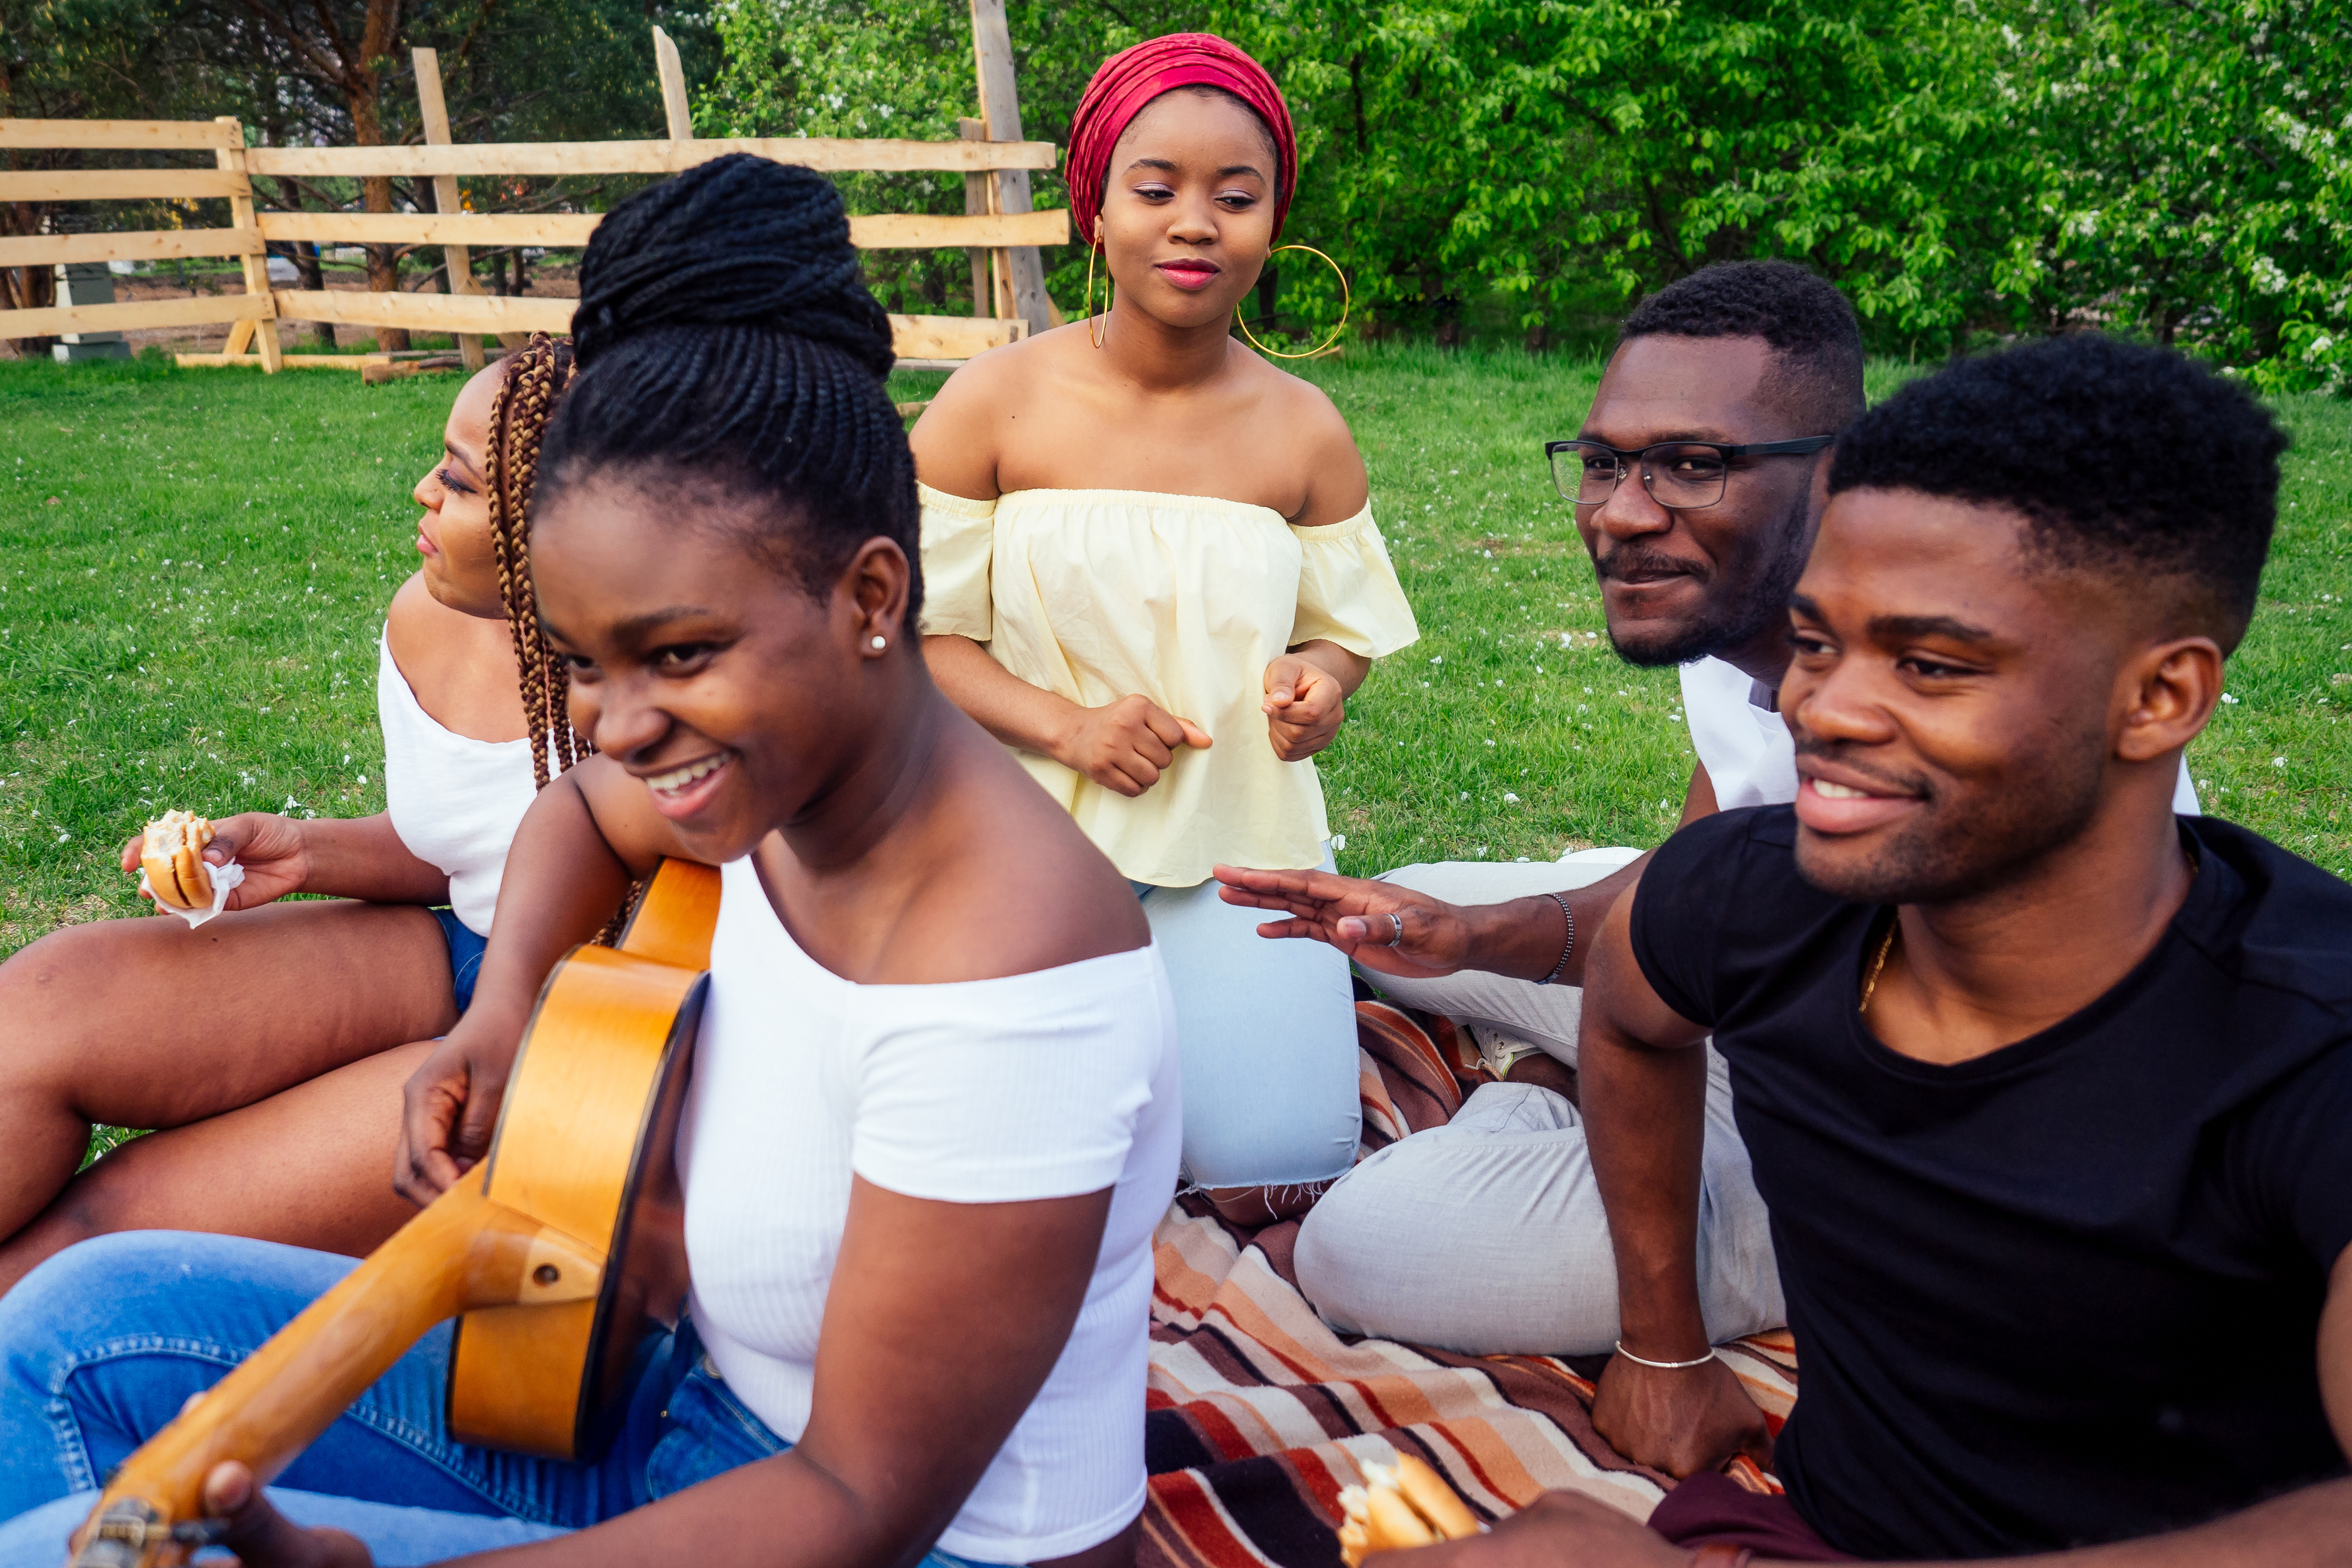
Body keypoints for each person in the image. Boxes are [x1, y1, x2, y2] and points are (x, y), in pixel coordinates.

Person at [0, 154, 1179, 1568]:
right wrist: (501, 1021)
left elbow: (857, 1507)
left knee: (66, 1541)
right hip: (688, 1419)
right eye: (583, 668)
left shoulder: (1008, 975)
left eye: (678, 655)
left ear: (873, 594)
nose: (621, 730)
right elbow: (577, 813)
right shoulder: (775, 787)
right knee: (77, 1324)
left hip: (872, 1535)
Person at [1403, 334, 2352, 1565]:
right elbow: (1635, 1020)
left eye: (1931, 664)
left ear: (2159, 698)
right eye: (1814, 643)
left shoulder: (2305, 1053)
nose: (1825, 711)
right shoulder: (1758, 896)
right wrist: (1662, 1343)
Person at [1221, 265, 2211, 1356]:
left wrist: (1665, 1345)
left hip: (1894, 1128)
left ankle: (1546, 1101)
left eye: (1693, 467)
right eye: (1604, 464)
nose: (1624, 514)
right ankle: (1570, 1072)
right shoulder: (1736, 620)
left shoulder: (1980, 701)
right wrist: (1465, 937)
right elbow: (1696, 874)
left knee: (1365, 1247)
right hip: (1758, 1002)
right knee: (1410, 922)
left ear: (1845, 473)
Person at [910, 33, 1418, 1224]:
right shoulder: (993, 402)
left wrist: (1321, 681)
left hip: (1239, 840)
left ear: (1273, 221)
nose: (1197, 222)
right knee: (1004, 1161)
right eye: (1157, 189)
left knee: (1274, 1158)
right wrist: (1069, 727)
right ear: (1095, 208)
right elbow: (917, 641)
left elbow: (1342, 630)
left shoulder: (1306, 431)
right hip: (1018, 838)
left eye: (1236, 197)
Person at [0, 336, 581, 1293]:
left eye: (463, 480)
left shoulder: (701, 696)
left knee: (99, 1241)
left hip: (594, 1037)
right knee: (43, 1010)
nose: (422, 494)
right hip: (470, 952)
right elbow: (473, 847)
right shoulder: (428, 618)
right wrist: (298, 852)